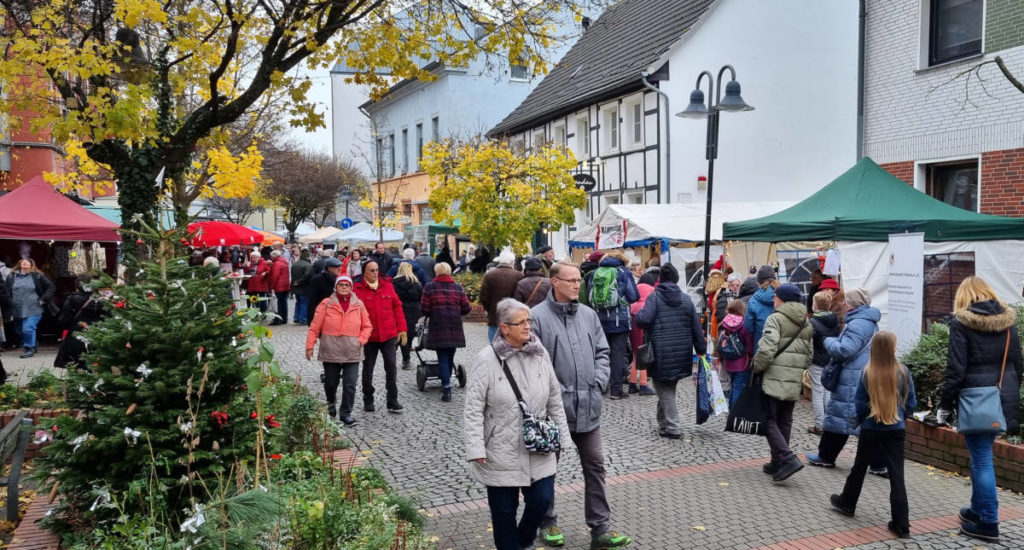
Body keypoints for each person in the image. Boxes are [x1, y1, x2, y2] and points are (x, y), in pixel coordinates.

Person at [531, 262, 632, 549]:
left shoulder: (589, 315)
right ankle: (547, 522)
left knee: (596, 466)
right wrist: (552, 395)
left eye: (579, 280)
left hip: (589, 407)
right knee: (547, 469)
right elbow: (533, 364)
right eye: (571, 280)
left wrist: (599, 382)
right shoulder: (537, 318)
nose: (578, 285)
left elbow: (603, 351)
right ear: (555, 282)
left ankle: (600, 529)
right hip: (553, 412)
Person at [463, 298, 571, 550]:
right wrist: (476, 448)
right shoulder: (486, 360)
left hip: (539, 445)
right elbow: (473, 409)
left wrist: (564, 439)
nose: (527, 327)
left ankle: (523, 541)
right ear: (504, 328)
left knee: (541, 500)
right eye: (520, 322)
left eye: (528, 321)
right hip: (500, 449)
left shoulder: (539, 352)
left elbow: (555, 398)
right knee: (503, 513)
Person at [936, 276, 1023, 544]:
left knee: (982, 458)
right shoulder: (1008, 323)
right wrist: (1007, 394)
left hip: (974, 399)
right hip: (999, 398)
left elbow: (956, 369)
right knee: (980, 456)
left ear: (964, 297)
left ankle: (988, 521)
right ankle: (976, 509)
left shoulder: (962, 323)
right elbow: (1018, 365)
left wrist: (945, 404)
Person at [829, 331, 916, 539]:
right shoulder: (903, 372)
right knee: (897, 476)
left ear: (874, 350)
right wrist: (906, 415)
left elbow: (859, 404)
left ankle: (847, 502)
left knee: (859, 467)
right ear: (893, 348)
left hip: (871, 427)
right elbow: (911, 401)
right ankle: (901, 523)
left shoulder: (868, 372)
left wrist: (857, 422)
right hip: (896, 428)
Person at [806, 287, 883, 472]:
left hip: (852, 377)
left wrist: (828, 341)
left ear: (851, 303)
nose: (843, 303)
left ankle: (826, 456)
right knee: (856, 420)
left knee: (839, 418)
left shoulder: (858, 323)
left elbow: (845, 350)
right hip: (858, 374)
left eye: (846, 300)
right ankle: (878, 464)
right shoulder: (867, 320)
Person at [635, 263, 706, 438]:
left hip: (660, 353)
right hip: (681, 353)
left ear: (660, 280)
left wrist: (639, 311)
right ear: (676, 279)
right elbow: (697, 328)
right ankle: (663, 424)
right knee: (667, 388)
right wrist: (701, 350)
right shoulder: (686, 299)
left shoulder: (654, 298)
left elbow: (642, 320)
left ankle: (673, 427)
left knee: (664, 389)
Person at [752, 283, 813, 483]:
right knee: (784, 420)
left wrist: (757, 367)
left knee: (767, 419)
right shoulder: (805, 322)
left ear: (782, 299)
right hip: (793, 378)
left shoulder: (775, 318)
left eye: (775, 296)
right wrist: (796, 369)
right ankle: (777, 462)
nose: (772, 299)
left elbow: (767, 349)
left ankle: (787, 458)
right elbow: (809, 355)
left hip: (773, 376)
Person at [306, 275, 373, 425]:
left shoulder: (358, 304)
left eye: (347, 285)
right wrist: (310, 346)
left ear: (351, 287)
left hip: (352, 350)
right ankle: (331, 405)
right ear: (335, 287)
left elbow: (367, 326)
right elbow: (314, 327)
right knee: (331, 383)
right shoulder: (326, 304)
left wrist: (360, 341)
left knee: (350, 384)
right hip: (331, 349)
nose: (344, 287)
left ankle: (346, 413)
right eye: (341, 285)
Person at [353, 260, 407, 413]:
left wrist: (402, 329)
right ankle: (368, 398)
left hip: (388, 334)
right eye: (371, 270)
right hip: (369, 337)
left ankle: (392, 399)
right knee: (368, 369)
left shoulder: (387, 285)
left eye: (376, 270)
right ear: (364, 272)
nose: (375, 273)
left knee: (391, 367)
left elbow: (397, 307)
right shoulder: (357, 288)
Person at [585, 250, 640, 400]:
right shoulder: (623, 273)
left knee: (601, 353)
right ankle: (616, 390)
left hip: (598, 320)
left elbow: (590, 297)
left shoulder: (594, 273)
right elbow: (635, 296)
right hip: (619, 320)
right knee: (617, 354)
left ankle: (601, 386)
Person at [420, 262, 472, 402]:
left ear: (436, 272)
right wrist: (455, 311)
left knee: (442, 356)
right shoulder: (457, 287)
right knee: (450, 356)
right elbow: (467, 308)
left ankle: (447, 388)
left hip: (438, 324)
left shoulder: (430, 287)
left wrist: (434, 311)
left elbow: (424, 308)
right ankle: (447, 382)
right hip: (454, 324)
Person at [5, 258, 56, 358]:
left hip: (34, 307)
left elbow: (51, 287)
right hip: (17, 309)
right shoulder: (11, 276)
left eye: (27, 261)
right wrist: (9, 302)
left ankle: (29, 348)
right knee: (19, 331)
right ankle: (34, 343)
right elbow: (6, 291)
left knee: (28, 329)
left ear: (32, 265)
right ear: (19, 264)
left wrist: (43, 299)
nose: (24, 262)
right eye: (22, 261)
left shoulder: (38, 276)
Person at [54, 274, 105, 370]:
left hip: (76, 335)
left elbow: (64, 320)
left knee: (76, 367)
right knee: (95, 367)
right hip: (99, 336)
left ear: (77, 285)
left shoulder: (72, 299)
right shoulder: (103, 301)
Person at [807, 291, 841, 435]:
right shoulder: (835, 320)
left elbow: (808, 341)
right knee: (827, 390)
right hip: (831, 359)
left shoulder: (812, 322)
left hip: (817, 360)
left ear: (815, 304)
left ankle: (820, 425)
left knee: (818, 391)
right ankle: (829, 422)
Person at [479, 251, 523, 342]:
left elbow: (483, 297)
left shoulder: (489, 276)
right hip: (513, 317)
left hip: (494, 317)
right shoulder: (519, 276)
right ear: (512, 262)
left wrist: (490, 309)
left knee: (494, 347)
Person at [718, 300, 755, 406]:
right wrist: (751, 354)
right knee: (738, 388)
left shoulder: (724, 323)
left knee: (733, 387)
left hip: (728, 362)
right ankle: (734, 414)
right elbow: (749, 343)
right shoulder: (744, 324)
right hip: (742, 363)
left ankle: (731, 411)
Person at [627, 280, 657, 396]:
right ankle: (643, 385)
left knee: (635, 357)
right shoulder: (646, 306)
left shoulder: (632, 305)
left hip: (633, 334)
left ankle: (632, 384)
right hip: (642, 334)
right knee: (643, 357)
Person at [392, 262, 423, 371]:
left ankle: (395, 356)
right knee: (408, 336)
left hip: (399, 310)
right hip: (414, 311)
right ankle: (406, 360)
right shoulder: (417, 283)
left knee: (398, 335)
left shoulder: (393, 283)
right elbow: (421, 298)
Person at [743, 265, 778, 354]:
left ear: (758, 282)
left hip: (761, 347)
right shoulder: (784, 295)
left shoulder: (754, 299)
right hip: (782, 348)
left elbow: (748, 327)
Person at [307, 257, 342, 326]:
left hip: (336, 315)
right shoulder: (317, 280)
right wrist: (312, 320)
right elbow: (312, 301)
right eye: (336, 267)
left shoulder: (339, 279)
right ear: (329, 268)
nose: (339, 269)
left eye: (339, 266)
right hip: (323, 314)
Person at [704, 269, 728, 341]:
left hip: (719, 310)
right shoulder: (711, 288)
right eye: (714, 276)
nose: (715, 277)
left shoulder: (723, 287)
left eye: (717, 276)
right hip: (714, 310)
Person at [290, 249, 313, 324]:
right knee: (304, 303)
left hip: (296, 287)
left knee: (298, 302)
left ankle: (296, 317)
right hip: (304, 287)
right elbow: (307, 276)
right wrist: (299, 282)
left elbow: (292, 276)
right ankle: (303, 318)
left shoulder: (295, 264)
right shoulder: (308, 265)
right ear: (307, 257)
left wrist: (294, 284)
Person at [268, 250, 290, 325]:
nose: (271, 258)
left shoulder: (277, 264)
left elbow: (275, 276)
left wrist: (272, 287)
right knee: (284, 302)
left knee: (279, 303)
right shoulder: (284, 262)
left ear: (274, 256)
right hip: (285, 285)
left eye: (271, 257)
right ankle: (284, 318)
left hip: (279, 286)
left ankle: (278, 319)